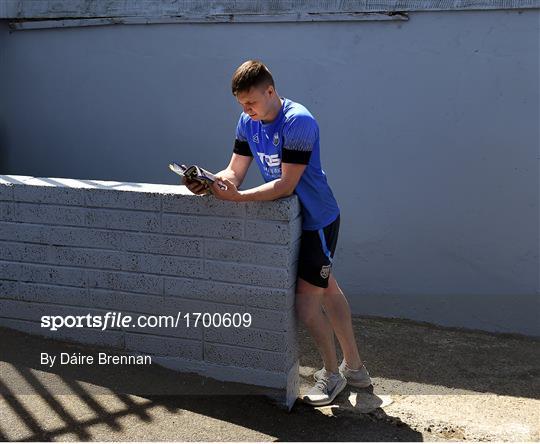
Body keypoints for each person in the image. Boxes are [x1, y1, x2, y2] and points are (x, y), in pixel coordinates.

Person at [182, 60, 372, 407]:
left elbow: (286, 185)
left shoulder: (299, 121)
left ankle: (333, 376)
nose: (246, 110)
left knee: (306, 306)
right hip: (290, 221)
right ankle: (356, 369)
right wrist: (211, 183)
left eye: (251, 102)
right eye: (241, 104)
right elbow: (235, 172)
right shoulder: (247, 121)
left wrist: (238, 198)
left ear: (271, 91)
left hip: (317, 221)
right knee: (328, 288)